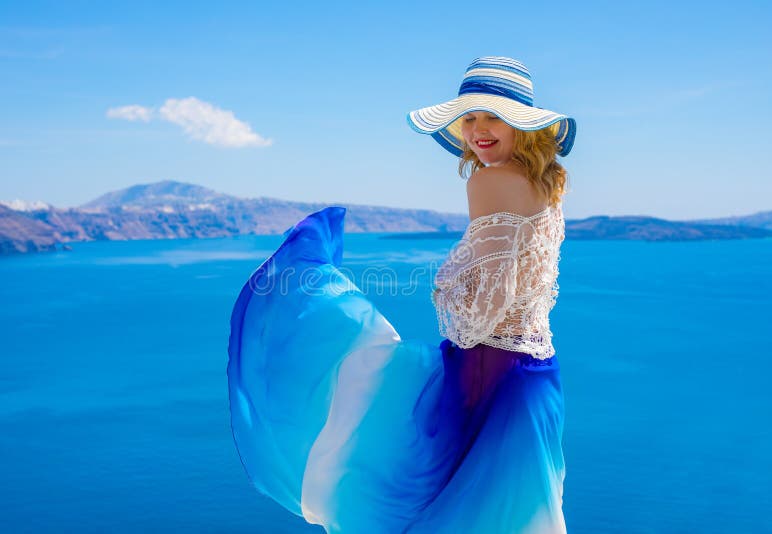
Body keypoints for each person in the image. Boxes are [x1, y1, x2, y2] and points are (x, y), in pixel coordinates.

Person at [227, 56, 576, 533]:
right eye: (469, 118)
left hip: (487, 377)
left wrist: (445, 288)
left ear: (522, 123)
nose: (477, 130)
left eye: (492, 115)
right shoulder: (545, 186)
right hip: (537, 375)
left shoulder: (489, 181)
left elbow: (481, 314)